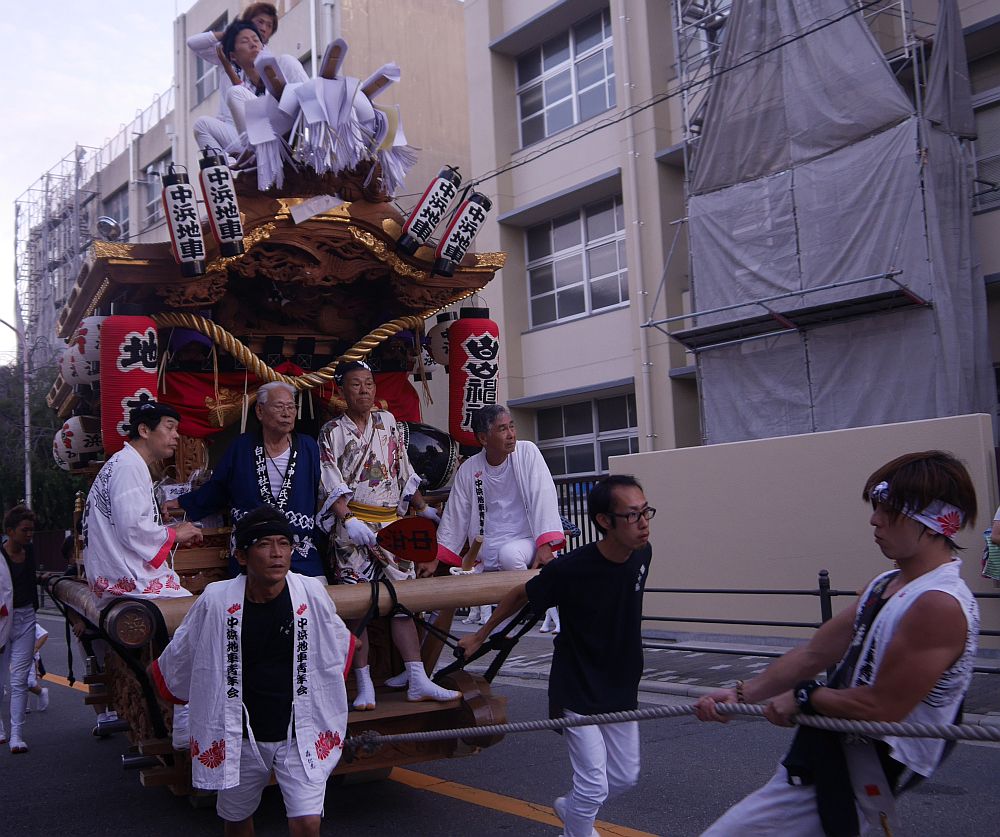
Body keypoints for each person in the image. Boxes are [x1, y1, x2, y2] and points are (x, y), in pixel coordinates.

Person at [694, 450, 980, 837]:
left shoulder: (938, 604)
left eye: (889, 510)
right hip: (832, 750)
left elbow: (883, 707)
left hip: (865, 762)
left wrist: (805, 697)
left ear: (930, 523)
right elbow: (815, 653)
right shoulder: (886, 584)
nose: (874, 519)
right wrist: (741, 695)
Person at [459, 475, 654, 837]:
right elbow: (520, 594)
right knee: (593, 786)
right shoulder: (571, 569)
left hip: (621, 683)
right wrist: (480, 636)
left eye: (646, 512)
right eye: (631, 515)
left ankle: (571, 808)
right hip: (577, 684)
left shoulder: (642, 554)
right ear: (604, 521)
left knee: (624, 778)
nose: (643, 523)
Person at [150, 506, 353, 837]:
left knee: (307, 822)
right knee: (237, 820)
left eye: (284, 543)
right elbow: (182, 657)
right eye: (264, 544)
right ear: (242, 556)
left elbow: (337, 646)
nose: (277, 553)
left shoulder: (310, 593)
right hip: (239, 732)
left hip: (298, 728)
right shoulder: (217, 600)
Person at [316, 360, 459, 710]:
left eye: (369, 383)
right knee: (357, 607)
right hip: (353, 529)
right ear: (342, 390)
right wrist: (348, 519)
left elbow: (402, 470)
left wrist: (423, 508)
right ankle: (363, 682)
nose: (364, 390)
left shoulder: (388, 422)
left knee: (403, 603)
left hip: (392, 525)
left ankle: (417, 677)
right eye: (356, 384)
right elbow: (329, 479)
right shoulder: (331, 431)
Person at [167, 381, 325, 578]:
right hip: (252, 551)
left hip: (299, 550)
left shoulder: (308, 447)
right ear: (260, 411)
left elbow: (324, 488)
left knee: (317, 592)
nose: (287, 413)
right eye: (279, 406)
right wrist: (182, 502)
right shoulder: (241, 447)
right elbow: (218, 488)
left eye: (291, 407)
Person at [432, 404, 565, 626]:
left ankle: (520, 607)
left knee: (509, 555)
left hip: (526, 540)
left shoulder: (527, 452)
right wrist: (437, 556)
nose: (511, 434)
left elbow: (543, 495)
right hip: (488, 546)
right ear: (483, 438)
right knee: (471, 567)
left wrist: (545, 545)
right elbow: (456, 515)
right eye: (502, 429)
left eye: (512, 426)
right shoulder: (469, 469)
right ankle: (497, 623)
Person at [83, 402, 203, 600]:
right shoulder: (128, 466)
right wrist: (174, 534)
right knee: (203, 610)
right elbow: (132, 528)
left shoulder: (125, 462)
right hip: (129, 582)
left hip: (116, 577)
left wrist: (168, 531)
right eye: (169, 427)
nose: (176, 435)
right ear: (144, 430)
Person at [187, 5, 278, 157]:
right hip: (231, 129)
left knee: (236, 93)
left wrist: (229, 68)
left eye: (269, 26)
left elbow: (253, 99)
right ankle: (224, 168)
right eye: (260, 22)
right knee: (201, 125)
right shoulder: (230, 50)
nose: (263, 28)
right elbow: (192, 43)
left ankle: (249, 157)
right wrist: (231, 34)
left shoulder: (266, 59)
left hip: (257, 130)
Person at [0, 505, 40, 752]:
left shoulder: (30, 551)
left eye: (31, 530)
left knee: (19, 678)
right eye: (24, 530)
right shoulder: (0, 556)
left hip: (26, 617)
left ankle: (16, 734)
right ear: (10, 531)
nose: (29, 534)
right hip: (2, 620)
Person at [25, 622, 49, 713]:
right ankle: (24, 705)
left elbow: (44, 635)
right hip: (15, 656)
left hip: (30, 657)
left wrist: (35, 649)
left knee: (29, 682)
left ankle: (41, 692)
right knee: (19, 682)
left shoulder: (30, 623)